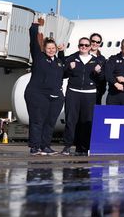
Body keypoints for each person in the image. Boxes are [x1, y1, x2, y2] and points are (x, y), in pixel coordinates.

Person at [24, 18, 65, 155]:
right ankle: (35, 146)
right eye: (49, 48)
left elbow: (63, 73)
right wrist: (35, 25)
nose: (51, 50)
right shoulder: (39, 57)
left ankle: (45, 146)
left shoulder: (58, 62)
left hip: (54, 96)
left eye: (53, 48)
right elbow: (33, 41)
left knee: (50, 122)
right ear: (44, 48)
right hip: (37, 94)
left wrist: (62, 52)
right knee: (37, 121)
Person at [61, 36, 103, 155]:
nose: (83, 47)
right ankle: (67, 146)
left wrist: (98, 72)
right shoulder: (72, 59)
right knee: (71, 120)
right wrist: (69, 68)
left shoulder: (96, 61)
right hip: (73, 92)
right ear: (78, 46)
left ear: (90, 47)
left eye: (86, 45)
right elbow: (63, 74)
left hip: (89, 93)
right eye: (81, 45)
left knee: (86, 121)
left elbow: (101, 79)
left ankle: (83, 147)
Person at [89, 32, 107, 105]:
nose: (95, 43)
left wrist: (100, 91)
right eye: (93, 41)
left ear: (100, 44)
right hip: (81, 93)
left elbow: (103, 78)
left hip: (96, 93)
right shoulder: (79, 55)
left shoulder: (102, 59)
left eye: (98, 42)